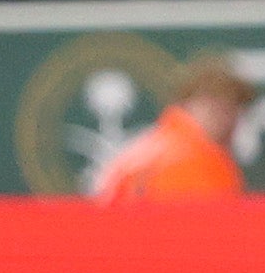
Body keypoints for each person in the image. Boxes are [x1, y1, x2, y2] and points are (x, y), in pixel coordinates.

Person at [85, 48, 253, 198]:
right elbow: (216, 228)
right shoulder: (200, 160)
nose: (229, 120)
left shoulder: (142, 149)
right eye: (220, 107)